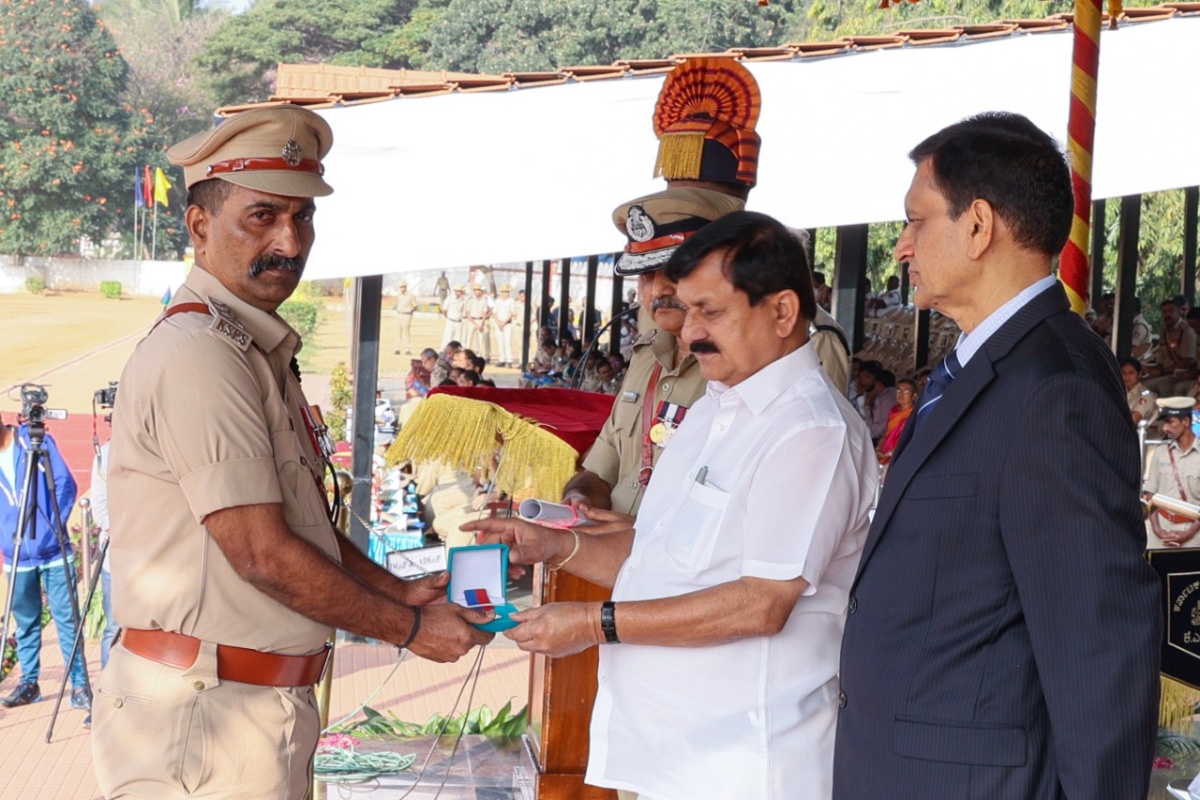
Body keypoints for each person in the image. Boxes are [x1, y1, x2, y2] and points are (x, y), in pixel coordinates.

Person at [94, 105, 493, 799]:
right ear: (199, 226)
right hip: (207, 719)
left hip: (243, 708)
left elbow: (298, 531)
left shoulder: (252, 351)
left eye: (303, 217)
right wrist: (407, 627)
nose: (290, 240)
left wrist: (396, 589)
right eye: (263, 217)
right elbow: (261, 553)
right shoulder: (200, 355)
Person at [465, 211, 877, 800]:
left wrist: (591, 623)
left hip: (744, 765)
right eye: (687, 311)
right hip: (669, 757)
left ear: (783, 312)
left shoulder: (809, 431)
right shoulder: (716, 404)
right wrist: (556, 546)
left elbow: (760, 604)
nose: (689, 333)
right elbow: (663, 562)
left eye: (711, 311)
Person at [834, 112, 1160, 799]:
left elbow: (1096, 645)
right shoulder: (982, 368)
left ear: (979, 226)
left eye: (917, 220)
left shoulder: (1054, 388)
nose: (901, 246)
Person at [0, 412, 89, 718]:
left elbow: (66, 484)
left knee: (67, 620)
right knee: (26, 625)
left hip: (53, 551)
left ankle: (79, 685)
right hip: (16, 556)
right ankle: (29, 684)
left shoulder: (35, 442)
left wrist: (52, 526)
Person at [1144, 396, 1200, 549]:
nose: (1165, 428)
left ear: (1186, 422)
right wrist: (1157, 530)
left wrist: (1187, 534)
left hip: (1194, 535)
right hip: (1160, 533)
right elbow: (1150, 495)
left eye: (1171, 422)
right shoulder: (1160, 452)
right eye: (1164, 422)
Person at [1143, 296, 1196, 395]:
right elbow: (1160, 361)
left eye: (1171, 311)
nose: (1167, 314)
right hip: (1165, 372)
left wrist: (1163, 371)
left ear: (1179, 312)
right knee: (1140, 383)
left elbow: (1188, 360)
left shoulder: (1186, 330)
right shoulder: (1164, 331)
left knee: (1160, 385)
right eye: (1164, 312)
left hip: (1178, 374)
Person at [875, 377, 916, 464]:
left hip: (901, 457)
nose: (901, 395)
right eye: (898, 391)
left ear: (914, 395)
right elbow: (886, 434)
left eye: (906, 392)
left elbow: (911, 441)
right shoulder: (894, 410)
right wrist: (878, 448)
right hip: (884, 455)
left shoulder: (915, 414)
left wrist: (890, 454)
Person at [1121, 356, 1157, 424]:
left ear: (1139, 374)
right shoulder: (1121, 392)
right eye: (1124, 373)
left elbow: (1133, 419)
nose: (1126, 377)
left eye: (1131, 373)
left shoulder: (1145, 395)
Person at [491, 283, 517, 366]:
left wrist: (504, 322)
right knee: (500, 342)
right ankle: (502, 359)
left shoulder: (511, 300)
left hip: (507, 324)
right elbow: (494, 312)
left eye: (506, 291)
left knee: (507, 342)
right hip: (498, 323)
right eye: (503, 291)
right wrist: (498, 322)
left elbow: (512, 313)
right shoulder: (497, 301)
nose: (505, 293)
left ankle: (509, 360)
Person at [465, 284, 491, 361]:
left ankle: (479, 355)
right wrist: (475, 323)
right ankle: (467, 355)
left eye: (479, 290)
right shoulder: (470, 300)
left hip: (480, 321)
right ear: (474, 291)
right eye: (476, 290)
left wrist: (481, 324)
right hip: (471, 321)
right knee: (469, 338)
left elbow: (484, 313)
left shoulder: (484, 301)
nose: (477, 292)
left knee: (480, 340)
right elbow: (467, 313)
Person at [393, 278, 418, 355]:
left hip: (407, 315)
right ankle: (397, 348)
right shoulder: (398, 296)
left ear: (405, 287)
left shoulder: (410, 295)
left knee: (406, 332)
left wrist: (410, 311)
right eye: (400, 287)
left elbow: (415, 305)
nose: (401, 288)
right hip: (399, 314)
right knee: (398, 332)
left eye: (403, 287)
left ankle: (407, 349)